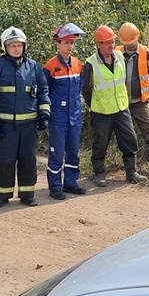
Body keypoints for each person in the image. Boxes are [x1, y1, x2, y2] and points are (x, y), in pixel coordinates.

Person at [0, 27, 50, 207]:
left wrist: (44, 114)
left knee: (28, 160)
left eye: (19, 45)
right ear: (5, 47)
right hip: (5, 126)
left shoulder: (34, 67)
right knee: (6, 160)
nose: (16, 49)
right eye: (12, 46)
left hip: (29, 126)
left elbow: (43, 91)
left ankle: (27, 195)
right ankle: (2, 196)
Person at [81, 24, 147, 187]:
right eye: (108, 42)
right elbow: (86, 90)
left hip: (121, 108)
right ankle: (99, 174)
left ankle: (131, 172)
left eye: (112, 41)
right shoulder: (91, 63)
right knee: (100, 143)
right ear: (99, 44)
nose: (112, 45)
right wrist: (97, 105)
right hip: (101, 112)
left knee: (129, 140)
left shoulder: (119, 57)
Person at [42, 24, 88, 200]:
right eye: (66, 42)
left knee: (73, 151)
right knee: (56, 152)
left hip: (74, 117)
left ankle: (70, 183)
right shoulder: (50, 67)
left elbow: (80, 90)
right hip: (58, 118)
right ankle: (55, 187)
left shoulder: (78, 64)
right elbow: (44, 93)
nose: (69, 46)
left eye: (71, 42)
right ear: (58, 44)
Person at [116, 23, 149, 167]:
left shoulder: (147, 54)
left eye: (131, 44)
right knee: (125, 135)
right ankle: (129, 167)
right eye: (126, 44)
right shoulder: (116, 53)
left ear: (137, 37)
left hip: (140, 102)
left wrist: (142, 88)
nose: (129, 47)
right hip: (120, 102)